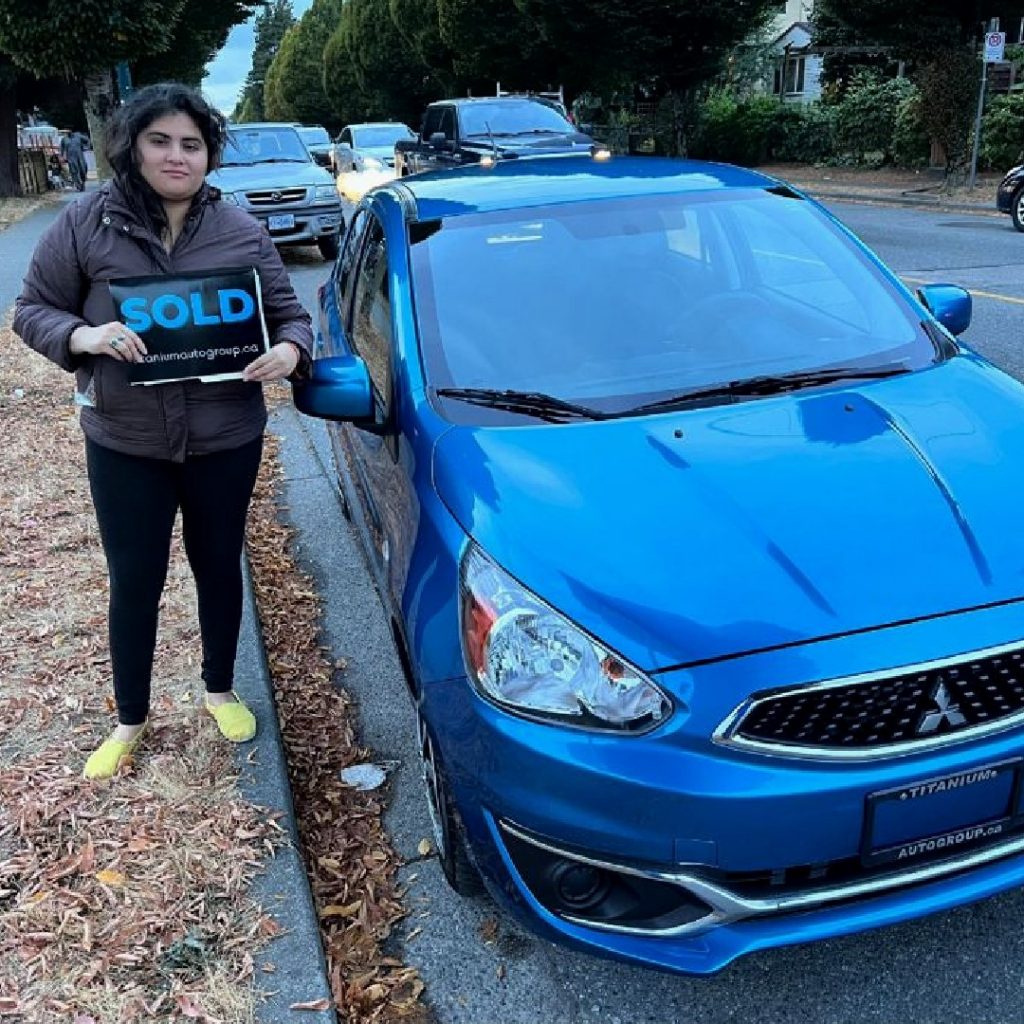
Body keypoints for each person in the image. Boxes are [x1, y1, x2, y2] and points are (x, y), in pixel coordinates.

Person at [14, 83, 313, 780]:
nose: (177, 156)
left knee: (219, 565)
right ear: (132, 147)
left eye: (192, 144)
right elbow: (32, 308)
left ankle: (220, 689)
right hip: (126, 441)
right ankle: (130, 718)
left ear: (209, 155)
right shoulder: (86, 223)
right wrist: (85, 335)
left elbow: (291, 316)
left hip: (225, 436)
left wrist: (290, 351)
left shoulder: (240, 229)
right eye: (161, 141)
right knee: (135, 579)